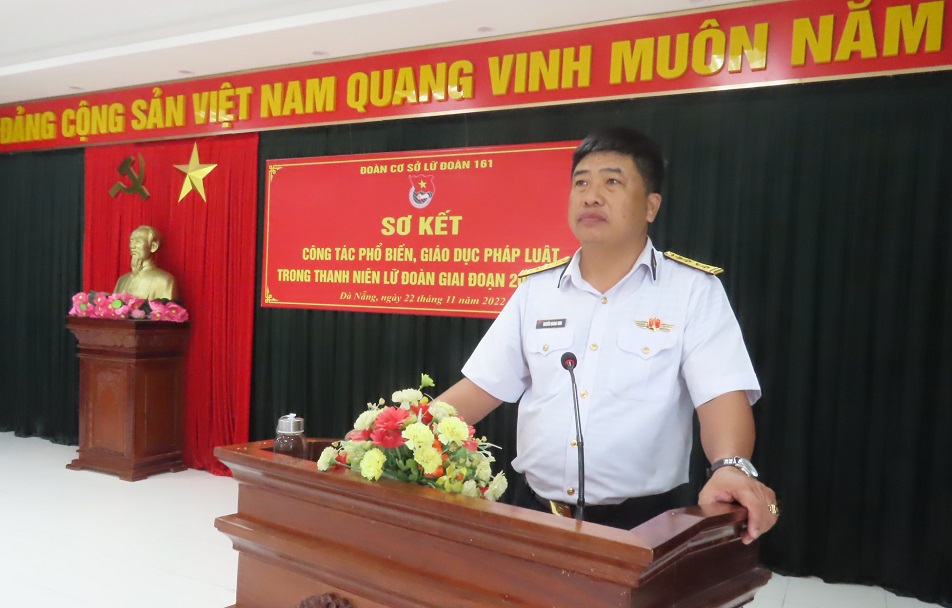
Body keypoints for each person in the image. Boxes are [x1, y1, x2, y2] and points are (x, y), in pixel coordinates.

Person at [438, 127, 778, 543]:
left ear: (651, 206)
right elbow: (480, 388)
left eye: (612, 182)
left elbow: (720, 395)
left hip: (644, 526)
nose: (591, 196)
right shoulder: (536, 291)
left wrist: (729, 465)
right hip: (533, 514)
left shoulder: (692, 290)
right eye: (581, 183)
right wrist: (397, 436)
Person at [114, 225, 180, 301]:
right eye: (131, 241)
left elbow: (168, 307)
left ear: (153, 246)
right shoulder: (122, 280)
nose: (132, 246)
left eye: (138, 241)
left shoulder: (165, 281)